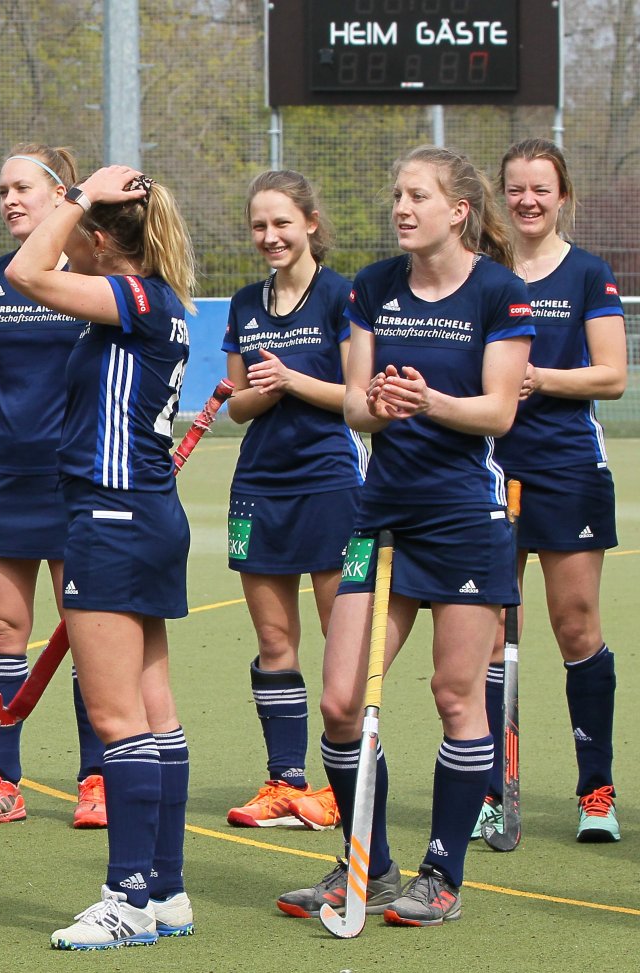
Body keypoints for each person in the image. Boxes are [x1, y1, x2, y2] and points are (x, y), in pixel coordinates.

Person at [276, 146, 532, 928]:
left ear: (458, 210)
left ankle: (444, 871)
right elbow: (353, 403)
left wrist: (429, 401)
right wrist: (378, 408)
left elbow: (498, 412)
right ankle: (372, 866)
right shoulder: (373, 287)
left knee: (456, 694)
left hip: (463, 519)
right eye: (396, 195)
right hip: (378, 515)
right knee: (341, 700)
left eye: (417, 195)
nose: (401, 207)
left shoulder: (500, 291)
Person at [6, 163, 197, 948]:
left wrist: (78, 198)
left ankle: (126, 896)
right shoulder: (155, 302)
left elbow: (25, 272)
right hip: (143, 514)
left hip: (113, 518)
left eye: (74, 226)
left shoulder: (132, 295)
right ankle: (167, 889)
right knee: (155, 711)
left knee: (117, 718)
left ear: (95, 236)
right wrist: (81, 204)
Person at [0, 145, 107, 829]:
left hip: (81, 479)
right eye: (2, 189)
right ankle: (0, 779)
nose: (9, 199)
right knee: (3, 628)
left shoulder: (91, 272)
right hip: (3, 475)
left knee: (88, 632)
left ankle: (97, 776)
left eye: (22, 187)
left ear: (62, 194)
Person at [483, 138, 626, 843]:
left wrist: (540, 379)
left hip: (567, 467)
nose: (528, 200)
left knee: (575, 626)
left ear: (562, 195)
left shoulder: (588, 275)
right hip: (486, 470)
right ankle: (490, 787)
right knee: (486, 633)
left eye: (541, 188)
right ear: (502, 197)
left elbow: (612, 375)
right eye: (516, 188)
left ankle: (594, 790)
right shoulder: (483, 275)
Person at [220, 170, 357, 831]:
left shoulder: (342, 296)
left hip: (330, 482)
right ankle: (284, 781)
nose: (269, 236)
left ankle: (338, 787)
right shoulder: (246, 303)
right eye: (258, 226)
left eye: (280, 223)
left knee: (341, 641)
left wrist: (293, 378)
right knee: (275, 639)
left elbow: (359, 401)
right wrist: (265, 390)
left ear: (309, 222)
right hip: (259, 485)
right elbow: (235, 404)